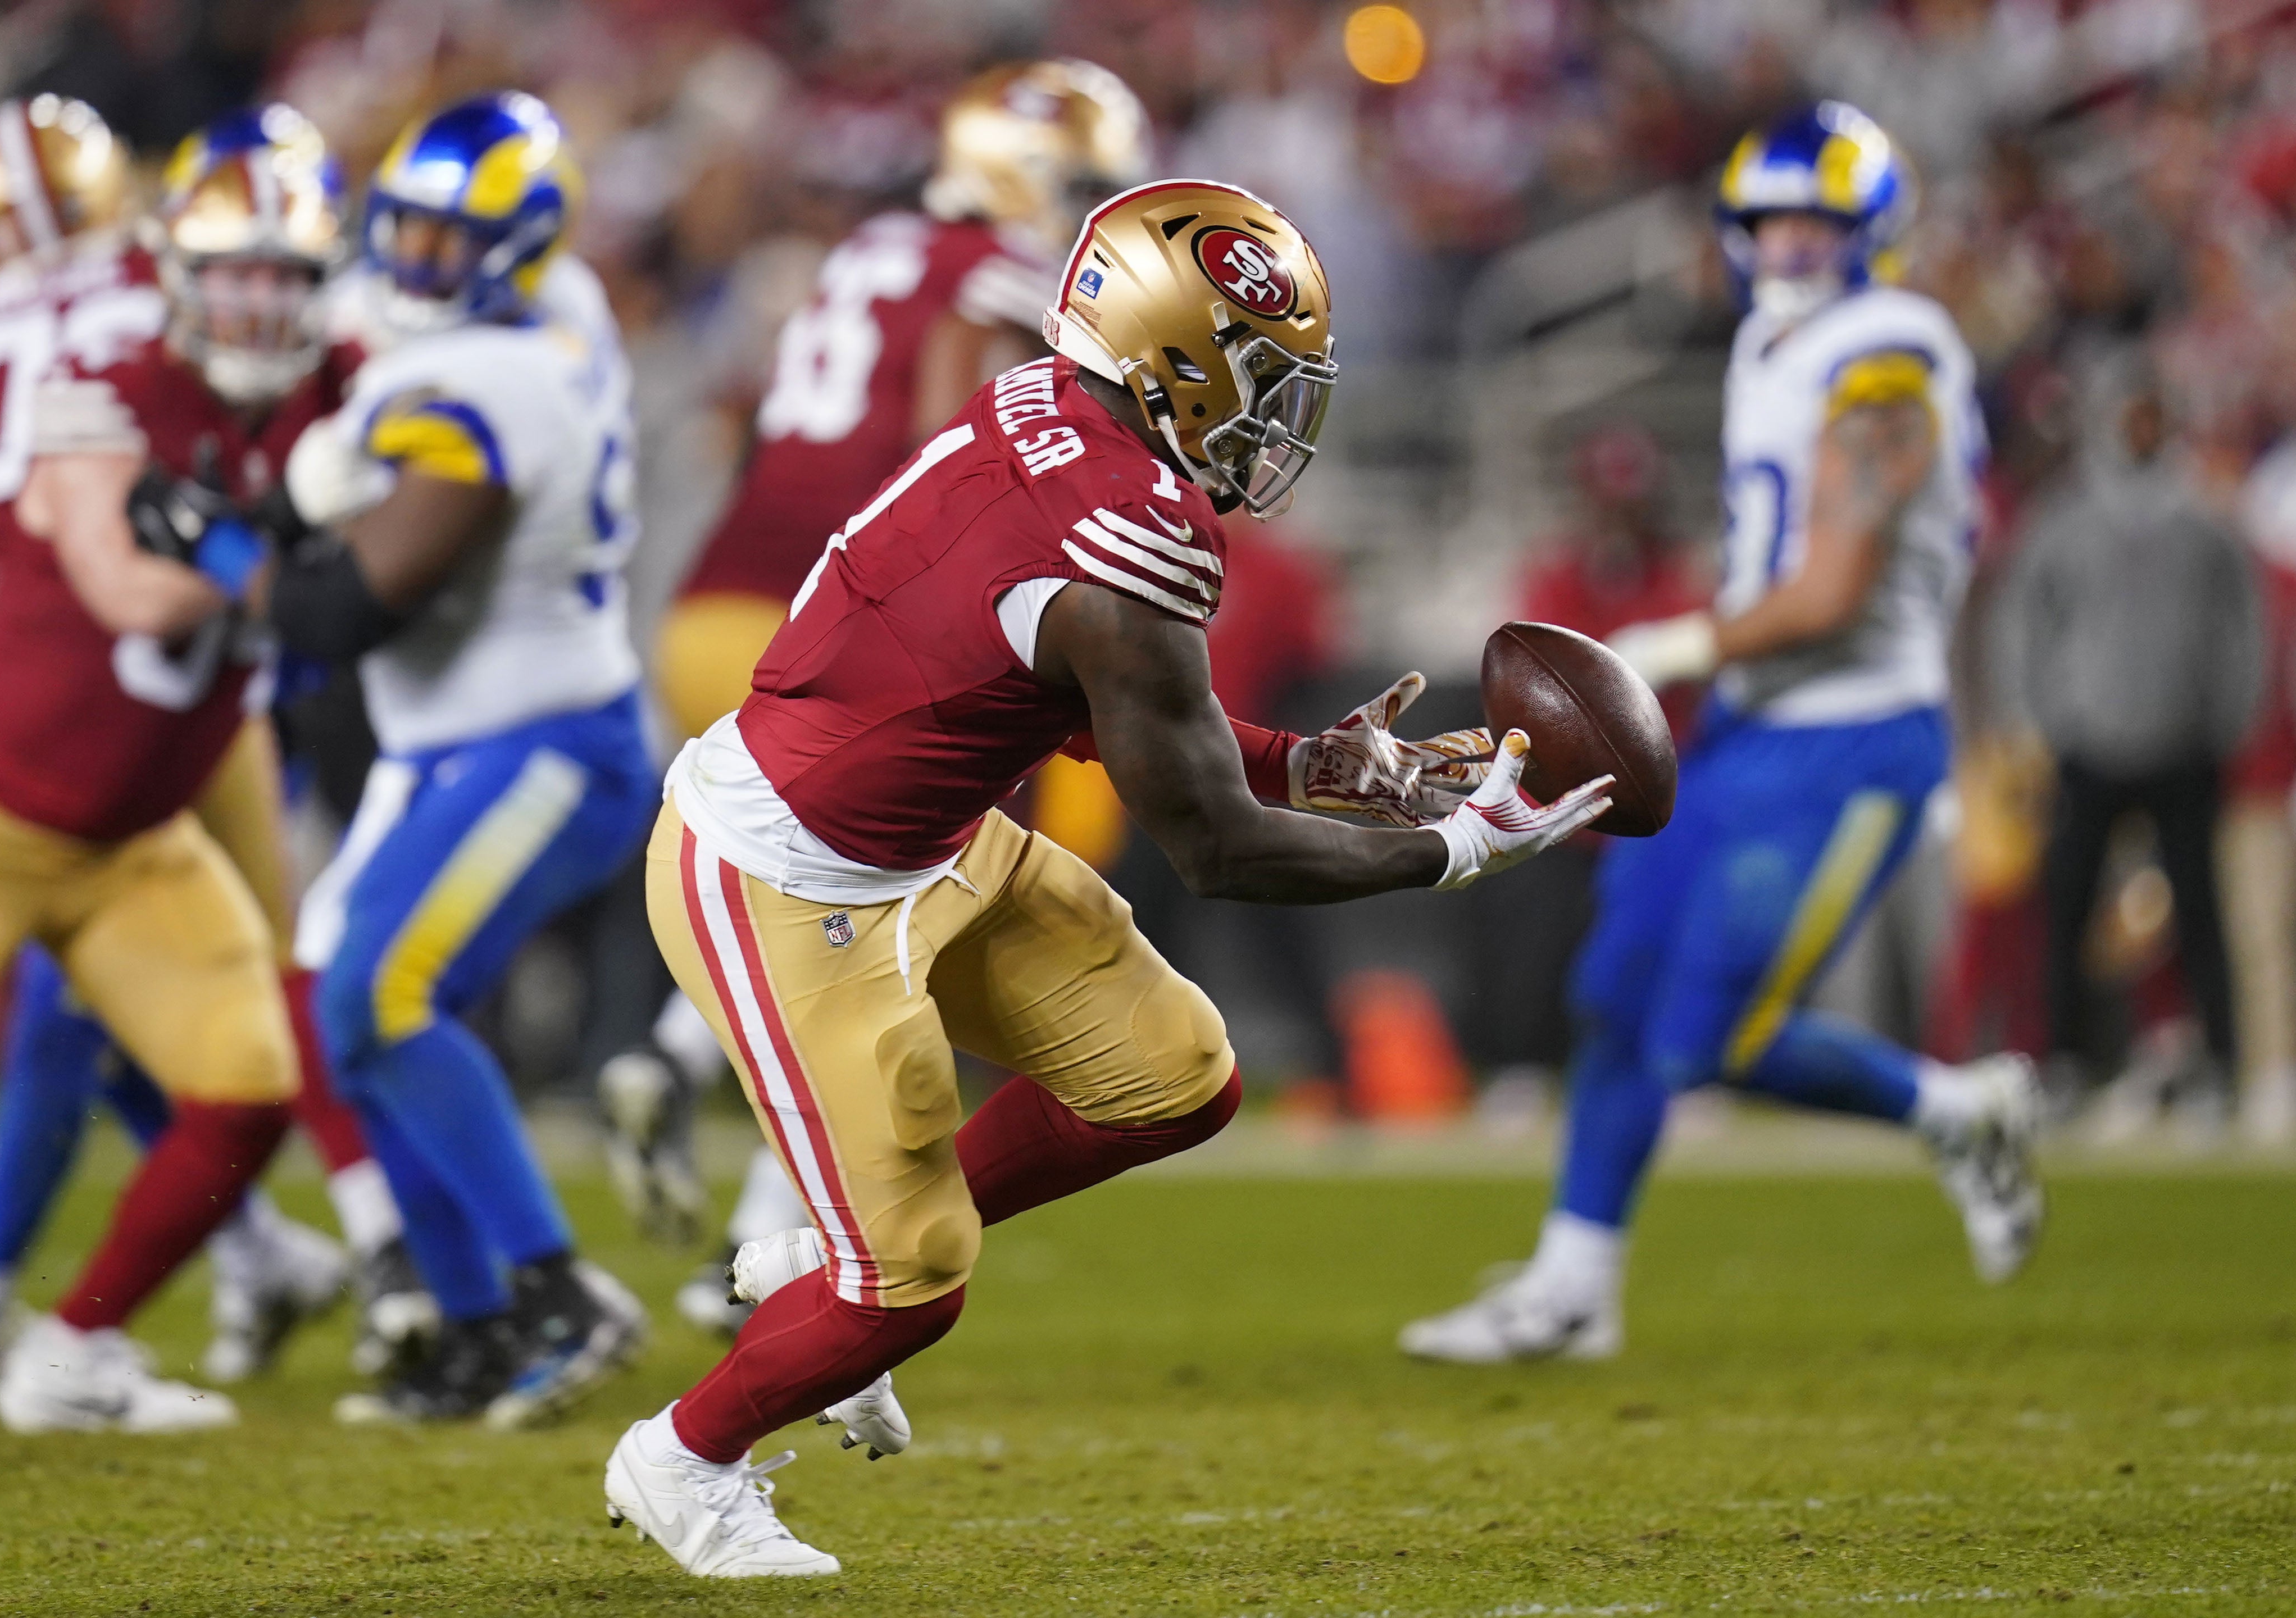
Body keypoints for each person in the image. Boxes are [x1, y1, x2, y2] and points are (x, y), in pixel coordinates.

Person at [599, 178, 1612, 1579]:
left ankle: (812, 1256)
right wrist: (1454, 850)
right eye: (1260, 375)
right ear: (1173, 358)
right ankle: (683, 1460)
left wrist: (1323, 761)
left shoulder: (1051, 410)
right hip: (784, 869)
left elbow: (1097, 697)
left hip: (931, 835)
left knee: (1173, 1076)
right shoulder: (1123, 541)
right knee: (908, 1288)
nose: (1276, 414)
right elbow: (1215, 846)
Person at [1399, 103, 2041, 1367]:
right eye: (1768, 222)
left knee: (1709, 1033)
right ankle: (1573, 1285)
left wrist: (1673, 647)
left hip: (1853, 735)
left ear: (1869, 230)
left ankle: (1959, 1111)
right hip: (1751, 730)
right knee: (1617, 998)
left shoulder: (1889, 350)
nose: (1789, 247)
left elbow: (1832, 590)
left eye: (1814, 222)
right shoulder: (1766, 345)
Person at [0, 106, 422, 1394]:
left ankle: (67, 1345)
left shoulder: (320, 392)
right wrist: (267, 558)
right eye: (233, 275)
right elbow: (126, 589)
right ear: (162, 269)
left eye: (283, 279)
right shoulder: (105, 377)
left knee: (246, 1082)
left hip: (145, 820)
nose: (255, 305)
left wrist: (266, 538)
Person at [616, 59, 1153, 1330]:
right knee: (895, 916)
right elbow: (960, 442)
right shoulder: (1000, 274)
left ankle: (680, 1053)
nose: (1086, 206)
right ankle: (771, 1234)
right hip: (857, 631)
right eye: (1077, 180)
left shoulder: (872, 244)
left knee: (824, 904)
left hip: (717, 605)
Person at [266, 92, 655, 1426]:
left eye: (450, 240)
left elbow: (338, 612)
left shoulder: (484, 383)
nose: (415, 262)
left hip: (538, 740)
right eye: (407, 232)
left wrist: (232, 533)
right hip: (450, 745)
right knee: (347, 1013)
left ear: (518, 242)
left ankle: (554, 1292)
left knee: (380, 1001)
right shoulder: (557, 319)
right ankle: (478, 1324)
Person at [2003, 351, 2260, 1122]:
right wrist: (2037, 720)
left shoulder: (2202, 517)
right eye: (2130, 415)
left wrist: (2230, 716)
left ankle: (2217, 1065)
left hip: (2184, 741)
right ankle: (2066, 1064)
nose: (2141, 430)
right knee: (2066, 912)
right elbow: (2021, 619)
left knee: (2201, 913)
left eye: (2152, 415)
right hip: (2088, 740)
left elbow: (2243, 627)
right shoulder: (2067, 513)